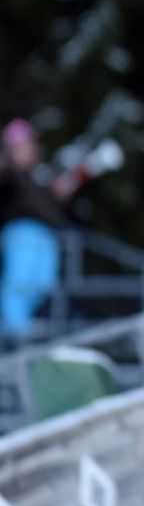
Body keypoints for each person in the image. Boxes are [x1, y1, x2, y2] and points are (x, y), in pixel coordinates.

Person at [0, 119, 69, 344]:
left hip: (47, 237)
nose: (25, 150)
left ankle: (21, 331)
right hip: (21, 234)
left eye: (27, 144)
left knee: (44, 285)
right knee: (17, 287)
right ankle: (17, 338)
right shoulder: (9, 174)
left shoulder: (41, 175)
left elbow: (56, 201)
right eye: (18, 146)